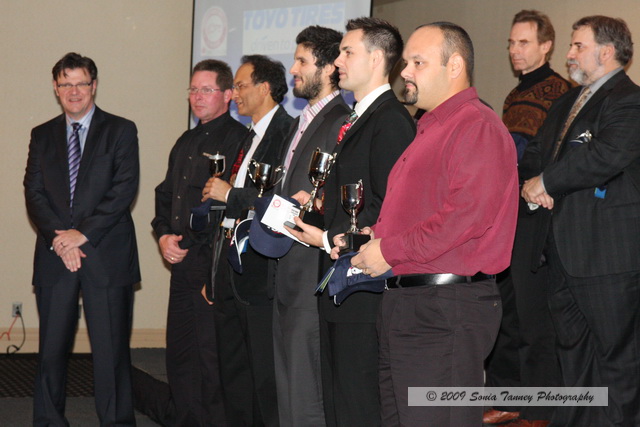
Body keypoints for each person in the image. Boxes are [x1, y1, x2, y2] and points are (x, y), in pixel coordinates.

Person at [345, 22, 518, 426]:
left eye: (418, 63)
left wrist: (389, 250)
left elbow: (465, 217)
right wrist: (374, 238)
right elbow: (420, 213)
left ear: (454, 65)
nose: (405, 72)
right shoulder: (430, 127)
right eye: (406, 62)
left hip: (443, 310)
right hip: (409, 305)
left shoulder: (476, 126)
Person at [288, 17, 415, 426]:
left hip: (364, 284)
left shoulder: (390, 119)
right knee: (338, 400)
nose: (339, 61)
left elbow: (389, 206)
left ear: (376, 59)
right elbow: (357, 196)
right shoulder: (359, 117)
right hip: (342, 279)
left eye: (348, 52)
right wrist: (319, 204)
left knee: (357, 402)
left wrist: (328, 237)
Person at [520, 16, 640, 426]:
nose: (568, 54)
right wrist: (531, 186)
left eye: (577, 46)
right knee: (573, 358)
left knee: (618, 361)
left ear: (606, 52)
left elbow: (604, 156)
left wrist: (546, 182)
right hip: (560, 253)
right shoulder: (565, 102)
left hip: (608, 258)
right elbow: (535, 155)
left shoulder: (630, 101)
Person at [24, 52, 140, 426]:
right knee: (50, 352)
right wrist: (61, 239)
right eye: (65, 84)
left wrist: (82, 235)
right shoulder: (41, 135)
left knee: (111, 353)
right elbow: (33, 192)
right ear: (55, 88)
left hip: (106, 255)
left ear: (94, 85)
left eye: (81, 83)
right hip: (55, 255)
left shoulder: (121, 130)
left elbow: (124, 189)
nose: (74, 91)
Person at [484, 10, 570, 426]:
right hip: (511, 213)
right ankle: (510, 398)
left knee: (532, 317)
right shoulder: (515, 95)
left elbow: (544, 159)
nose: (514, 51)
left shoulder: (560, 92)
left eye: (524, 43)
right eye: (511, 43)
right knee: (508, 309)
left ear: (546, 46)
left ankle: (535, 407)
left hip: (540, 219)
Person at [152, 59, 245, 426]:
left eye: (206, 90)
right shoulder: (185, 141)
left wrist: (200, 253)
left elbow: (230, 207)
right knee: (180, 354)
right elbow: (165, 195)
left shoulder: (239, 140)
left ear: (228, 95)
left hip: (211, 261)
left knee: (211, 358)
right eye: (193, 89)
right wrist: (163, 235)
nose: (197, 97)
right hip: (180, 263)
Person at [203, 54, 293, 427]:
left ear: (265, 88)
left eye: (240, 86)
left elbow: (278, 203)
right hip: (229, 267)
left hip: (259, 272)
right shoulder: (248, 135)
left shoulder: (287, 133)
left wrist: (229, 194)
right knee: (233, 371)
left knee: (262, 376)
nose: (234, 94)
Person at [270, 26, 349, 427]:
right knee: (288, 386)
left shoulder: (341, 122)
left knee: (306, 389)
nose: (293, 69)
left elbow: (335, 199)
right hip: (285, 269)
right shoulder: (302, 120)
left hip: (310, 272)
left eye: (302, 61)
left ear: (329, 67)